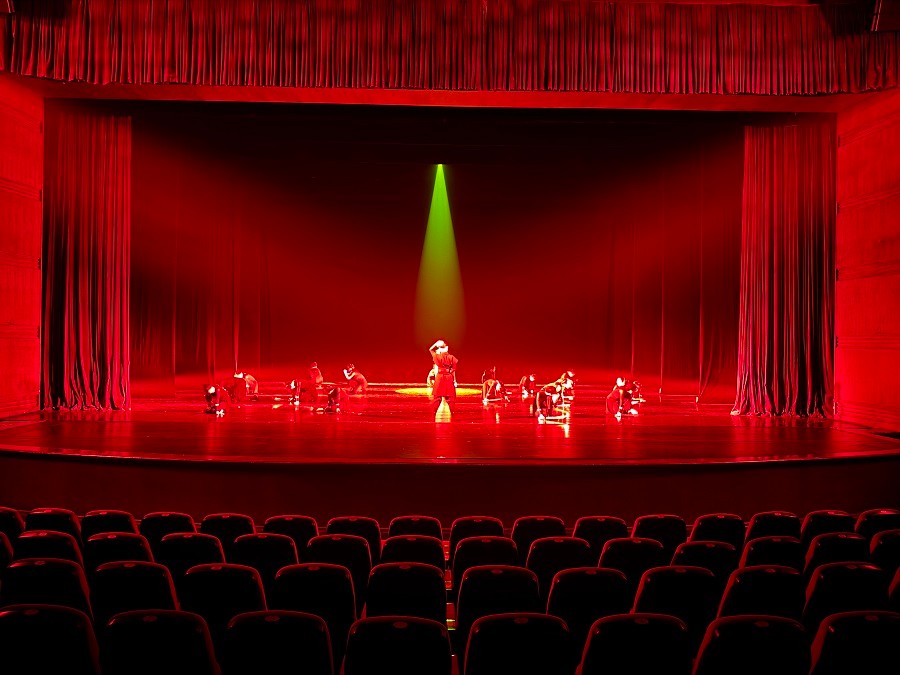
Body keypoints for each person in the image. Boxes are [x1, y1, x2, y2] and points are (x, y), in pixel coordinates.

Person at [429, 339, 458, 417]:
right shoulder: (452, 357)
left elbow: (430, 349)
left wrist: (436, 344)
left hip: (439, 377)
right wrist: (454, 380)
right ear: (447, 348)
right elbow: (453, 370)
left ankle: (434, 413)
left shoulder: (437, 356)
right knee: (450, 397)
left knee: (437, 397)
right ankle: (452, 413)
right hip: (449, 377)